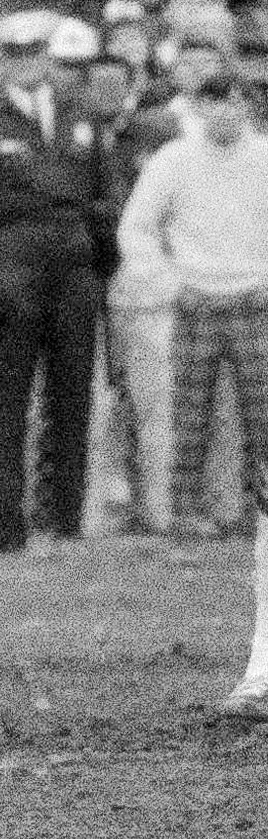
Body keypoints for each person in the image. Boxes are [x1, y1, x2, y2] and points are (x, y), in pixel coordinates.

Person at [115, 65, 268, 719]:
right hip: (198, 297)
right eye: (213, 103)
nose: (225, 114)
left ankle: (248, 516)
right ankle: (180, 516)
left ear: (246, 106)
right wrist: (169, 281)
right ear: (199, 108)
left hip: (257, 299)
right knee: (187, 417)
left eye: (234, 103)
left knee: (262, 431)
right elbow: (137, 227)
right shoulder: (175, 159)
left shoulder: (264, 157)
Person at [0, 9, 115, 552]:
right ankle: (6, 525)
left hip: (75, 262)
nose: (26, 64)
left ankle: (64, 519)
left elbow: (104, 193)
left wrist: (100, 257)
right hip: (16, 256)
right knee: (8, 396)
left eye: (34, 54)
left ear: (47, 57)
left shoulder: (77, 111)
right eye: (14, 55)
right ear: (3, 61)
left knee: (72, 396)